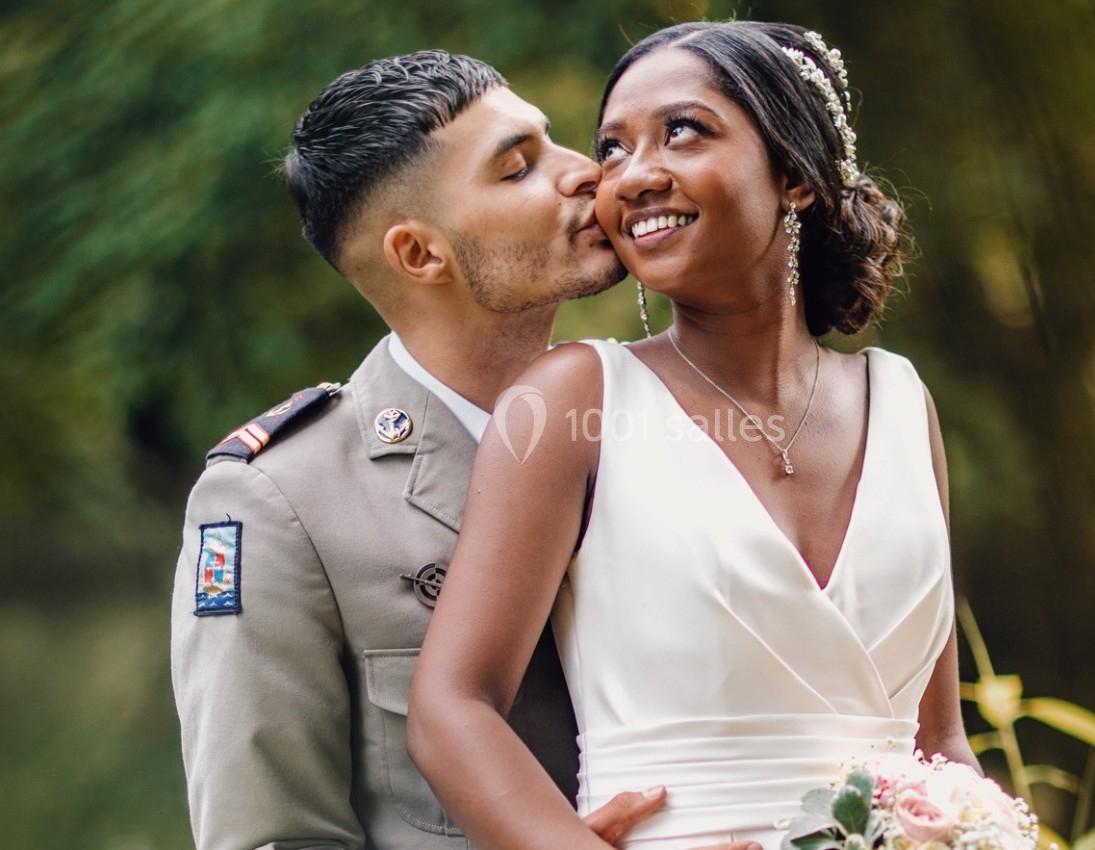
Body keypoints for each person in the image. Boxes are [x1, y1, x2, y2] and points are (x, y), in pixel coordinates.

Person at [406, 20, 981, 850]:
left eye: (682, 131)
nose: (635, 176)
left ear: (794, 174)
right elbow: (450, 709)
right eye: (612, 148)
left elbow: (940, 744)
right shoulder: (573, 400)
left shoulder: (900, 402)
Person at [170, 49, 758, 850]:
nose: (586, 173)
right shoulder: (282, 505)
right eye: (518, 169)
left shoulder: (673, 428)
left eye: (554, 142)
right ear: (420, 254)